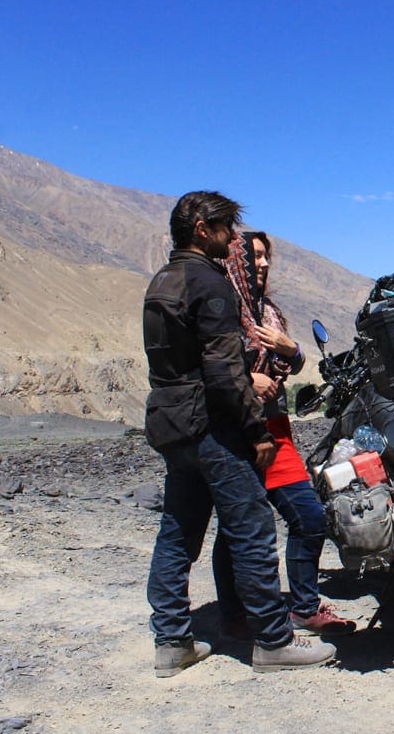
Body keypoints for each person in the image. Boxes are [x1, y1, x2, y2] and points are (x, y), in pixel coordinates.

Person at [142, 190, 336, 676]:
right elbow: (225, 371)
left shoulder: (161, 280)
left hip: (170, 423)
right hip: (211, 425)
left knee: (177, 532)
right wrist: (256, 431)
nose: (233, 240)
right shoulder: (209, 283)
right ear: (204, 228)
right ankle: (273, 641)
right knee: (250, 530)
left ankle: (171, 641)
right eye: (227, 229)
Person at [212, 230, 355, 638]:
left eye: (265, 257)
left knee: (310, 518)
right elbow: (211, 364)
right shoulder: (220, 309)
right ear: (233, 260)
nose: (262, 264)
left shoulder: (268, 312)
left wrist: (290, 349)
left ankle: (303, 607)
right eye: (253, 257)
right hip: (237, 432)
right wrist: (247, 378)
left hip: (277, 432)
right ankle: (233, 612)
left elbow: (293, 362)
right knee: (235, 528)